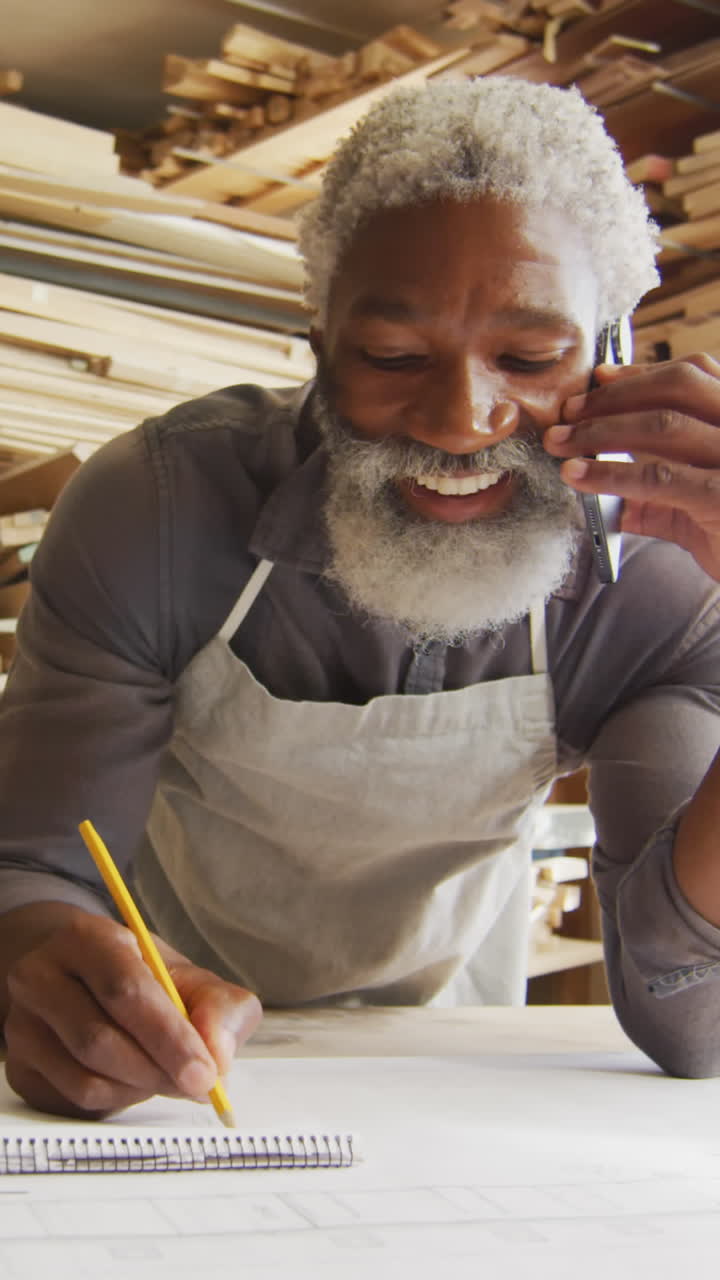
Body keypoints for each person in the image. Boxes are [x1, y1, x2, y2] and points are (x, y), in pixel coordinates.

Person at [1, 75, 719, 1121]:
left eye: (529, 356)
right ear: (318, 347)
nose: (462, 417)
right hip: (166, 1069)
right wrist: (40, 952)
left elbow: (689, 1012)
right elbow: (31, 861)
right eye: (391, 355)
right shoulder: (154, 511)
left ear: (610, 354)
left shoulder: (651, 587)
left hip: (448, 1077)